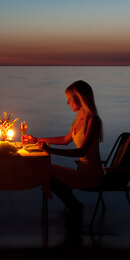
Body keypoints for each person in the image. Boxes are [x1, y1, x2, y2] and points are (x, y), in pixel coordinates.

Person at [22, 80, 104, 215]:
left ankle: (75, 206)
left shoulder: (92, 120)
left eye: (70, 99)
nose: (67, 102)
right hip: (83, 171)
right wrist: (36, 139)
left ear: (80, 98)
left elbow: (82, 151)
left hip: (91, 176)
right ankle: (74, 205)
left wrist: (50, 151)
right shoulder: (80, 119)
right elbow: (65, 140)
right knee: (45, 169)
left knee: (46, 171)